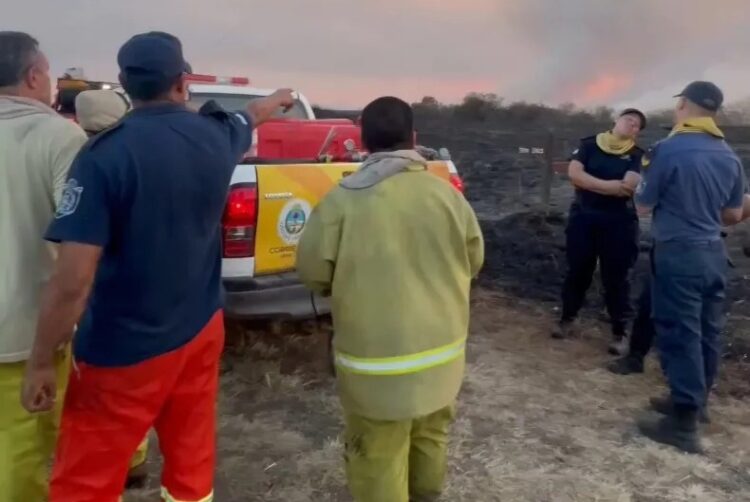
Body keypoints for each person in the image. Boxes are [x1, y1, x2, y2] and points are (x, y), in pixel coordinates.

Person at [20, 31, 293, 501]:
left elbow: (73, 279)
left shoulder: (104, 157)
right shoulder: (216, 135)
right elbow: (251, 117)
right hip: (202, 329)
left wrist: (42, 359)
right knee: (191, 460)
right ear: (182, 82)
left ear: (125, 83)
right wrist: (277, 99)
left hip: (124, 347)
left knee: (85, 478)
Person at [297, 96, 484, 502]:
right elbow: (474, 260)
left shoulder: (342, 200)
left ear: (362, 141)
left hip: (375, 364)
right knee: (431, 434)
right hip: (442, 356)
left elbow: (313, 273)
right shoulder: (448, 196)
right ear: (414, 138)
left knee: (377, 452)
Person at [635, 81, 746, 453]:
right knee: (706, 330)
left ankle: (683, 424)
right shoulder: (728, 154)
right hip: (714, 252)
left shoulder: (667, 149)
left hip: (679, 252)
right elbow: (732, 214)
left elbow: (643, 205)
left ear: (683, 104)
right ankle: (696, 404)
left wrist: (637, 183)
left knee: (679, 330)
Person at [0, 31, 88, 502]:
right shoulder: (59, 136)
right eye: (49, 73)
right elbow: (79, 245)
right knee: (25, 459)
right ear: (33, 76)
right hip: (24, 336)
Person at [75, 87, 152, 487]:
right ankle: (132, 459)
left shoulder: (84, 158)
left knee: (97, 390)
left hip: (87, 291)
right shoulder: (133, 155)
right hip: (126, 292)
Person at [552, 109, 647, 356]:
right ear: (616, 120)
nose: (632, 126)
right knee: (577, 271)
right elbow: (574, 174)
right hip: (584, 219)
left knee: (617, 278)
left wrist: (589, 182)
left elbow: (627, 188)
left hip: (619, 224)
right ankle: (567, 319)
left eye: (637, 126)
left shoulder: (636, 154)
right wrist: (608, 186)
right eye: (629, 120)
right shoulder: (589, 145)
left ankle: (619, 332)